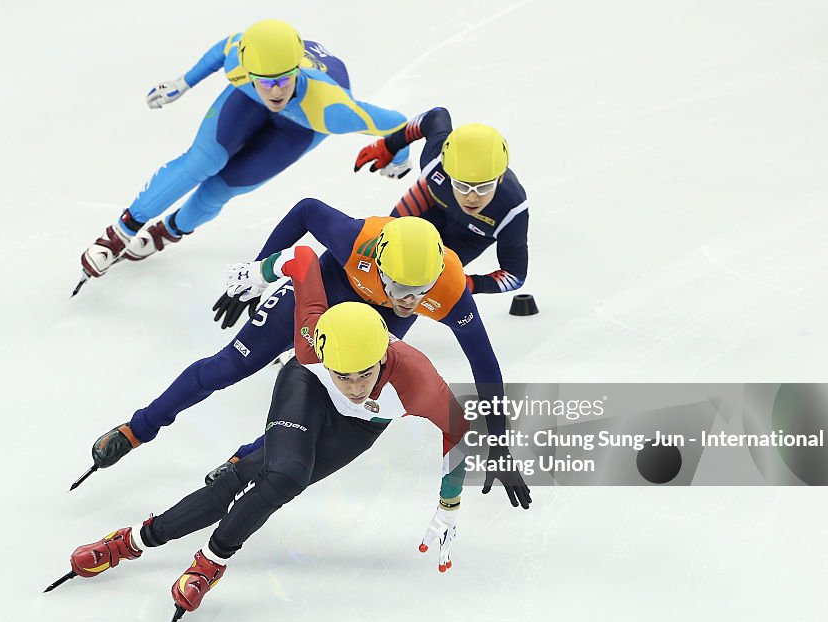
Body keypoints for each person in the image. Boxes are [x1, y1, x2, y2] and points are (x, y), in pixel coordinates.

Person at [54, 247, 530, 622]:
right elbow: (302, 260)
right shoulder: (309, 335)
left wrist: (449, 507)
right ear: (321, 347)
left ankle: (173, 544)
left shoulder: (418, 381)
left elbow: (459, 435)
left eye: (365, 374)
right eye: (343, 374)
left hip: (358, 426)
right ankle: (151, 549)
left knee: (248, 479)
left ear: (385, 356)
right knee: (284, 477)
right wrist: (258, 273)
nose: (354, 384)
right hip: (304, 384)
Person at [85, 206, 527, 506]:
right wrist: (257, 273)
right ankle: (137, 428)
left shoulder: (451, 292)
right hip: (321, 294)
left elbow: (485, 366)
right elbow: (307, 209)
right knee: (228, 366)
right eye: (399, 288)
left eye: (419, 293)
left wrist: (500, 441)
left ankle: (247, 459)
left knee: (341, 402)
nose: (408, 300)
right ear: (379, 265)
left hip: (376, 328)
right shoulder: (358, 239)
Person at [76, 19, 411, 289]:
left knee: (221, 188)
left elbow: (398, 123)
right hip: (250, 101)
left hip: (303, 122)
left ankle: (168, 231)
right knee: (203, 160)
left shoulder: (332, 110)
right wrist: (182, 83)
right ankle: (120, 233)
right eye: (265, 82)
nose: (276, 91)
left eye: (284, 80)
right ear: (249, 73)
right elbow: (227, 46)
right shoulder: (241, 64)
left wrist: (397, 155)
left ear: (297, 71)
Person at [354, 109, 529, 295]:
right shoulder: (434, 159)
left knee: (418, 279)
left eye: (483, 187)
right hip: (430, 202)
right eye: (461, 185)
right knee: (384, 251)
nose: (471, 198)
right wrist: (390, 145)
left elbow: (514, 275)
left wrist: (470, 284)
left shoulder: (512, 210)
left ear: (500, 178)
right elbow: (436, 115)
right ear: (447, 172)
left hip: (469, 237)